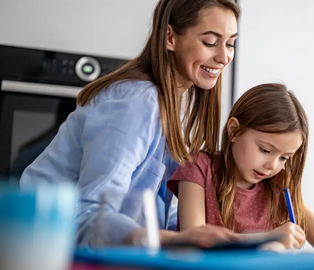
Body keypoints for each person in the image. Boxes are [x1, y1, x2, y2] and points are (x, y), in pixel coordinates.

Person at [19, 0, 240, 248]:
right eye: (210, 42)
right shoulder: (138, 101)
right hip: (36, 243)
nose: (224, 56)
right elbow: (88, 215)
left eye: (230, 43)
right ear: (170, 37)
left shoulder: (169, 105)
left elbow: (152, 209)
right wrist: (173, 239)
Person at [168, 83, 314, 252]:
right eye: (265, 150)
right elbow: (194, 239)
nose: (272, 166)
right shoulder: (198, 168)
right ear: (234, 130)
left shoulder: (278, 183)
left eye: (284, 158)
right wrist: (265, 239)